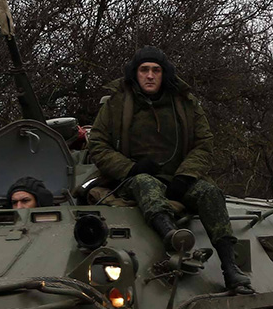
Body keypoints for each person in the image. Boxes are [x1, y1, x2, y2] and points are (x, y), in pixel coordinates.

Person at [86, 46, 254, 294]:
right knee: (146, 183)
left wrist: (186, 174)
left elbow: (204, 143)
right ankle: (172, 237)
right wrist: (129, 167)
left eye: (156, 70)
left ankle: (230, 267)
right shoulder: (117, 104)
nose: (150, 76)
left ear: (165, 74)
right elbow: (98, 144)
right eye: (144, 70)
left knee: (209, 193)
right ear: (136, 73)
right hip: (132, 179)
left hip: (179, 179)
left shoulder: (185, 104)